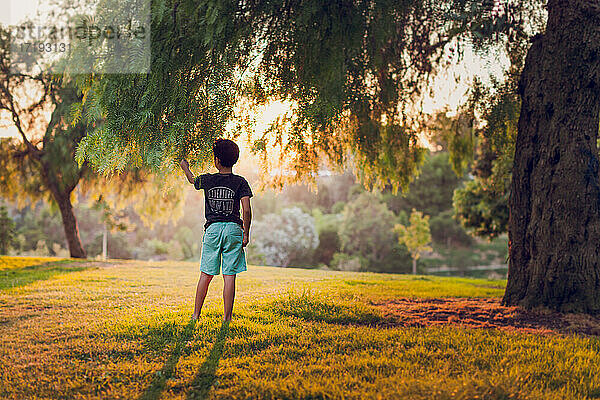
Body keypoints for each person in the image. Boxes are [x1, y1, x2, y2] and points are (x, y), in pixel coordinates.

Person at [179, 139, 252, 322]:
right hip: (234, 229)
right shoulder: (240, 182)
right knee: (229, 275)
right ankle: (227, 318)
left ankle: (196, 315)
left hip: (213, 230)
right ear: (235, 160)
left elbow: (192, 180)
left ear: (217, 160)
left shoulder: (208, 179)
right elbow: (247, 210)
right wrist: (246, 232)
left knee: (206, 274)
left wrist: (185, 167)